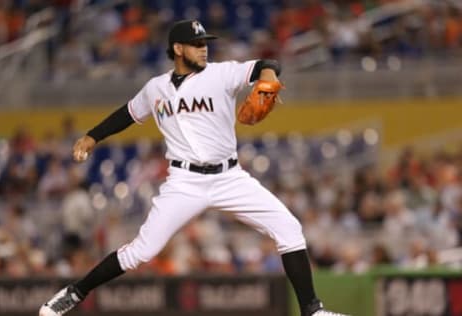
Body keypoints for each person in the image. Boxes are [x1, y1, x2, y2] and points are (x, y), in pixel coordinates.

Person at [39, 20, 347, 316]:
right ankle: (74, 293)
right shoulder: (155, 88)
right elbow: (128, 114)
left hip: (229, 177)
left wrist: (268, 78)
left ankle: (312, 310)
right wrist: (93, 136)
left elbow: (267, 64)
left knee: (289, 229)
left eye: (205, 43)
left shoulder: (222, 74)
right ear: (178, 48)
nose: (204, 49)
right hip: (184, 182)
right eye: (196, 44)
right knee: (141, 252)